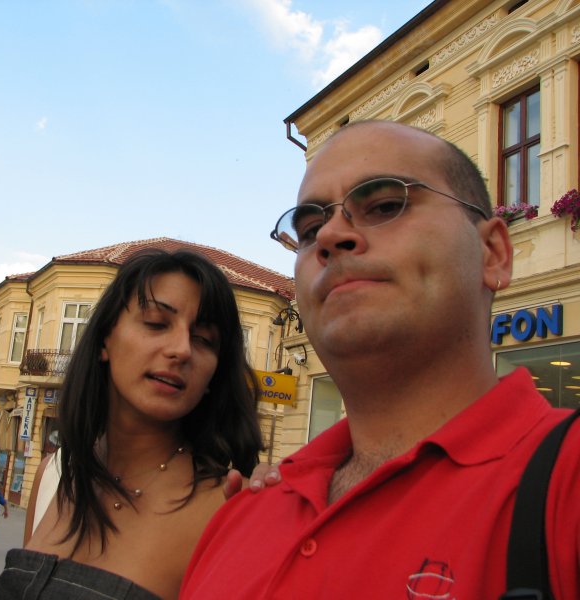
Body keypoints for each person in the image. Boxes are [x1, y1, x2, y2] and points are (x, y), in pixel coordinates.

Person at [180, 120, 580, 599]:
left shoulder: (566, 485)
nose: (330, 235)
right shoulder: (241, 514)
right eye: (309, 230)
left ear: (492, 253)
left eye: (387, 205)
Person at [0, 249, 263, 599]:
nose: (182, 350)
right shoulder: (55, 474)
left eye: (204, 339)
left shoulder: (230, 507)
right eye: (156, 323)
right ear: (105, 339)